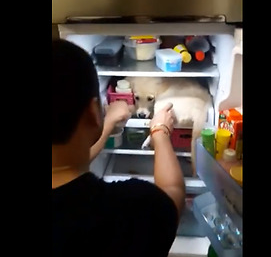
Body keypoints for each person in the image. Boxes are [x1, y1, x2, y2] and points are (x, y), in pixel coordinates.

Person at [52, 39, 186, 257]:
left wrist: (105, 126)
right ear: (93, 113)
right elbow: (173, 195)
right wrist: (160, 132)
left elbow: (67, 164)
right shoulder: (129, 209)